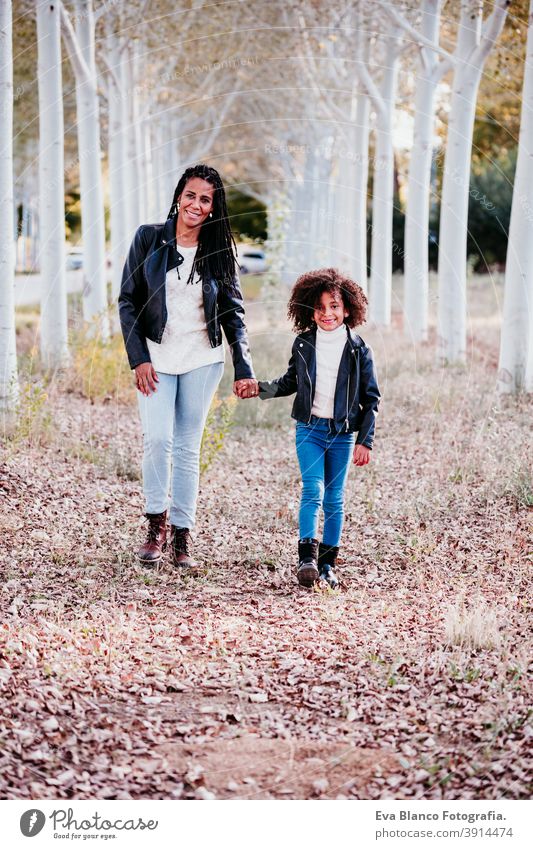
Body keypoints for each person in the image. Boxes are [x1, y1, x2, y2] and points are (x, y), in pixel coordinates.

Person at [118, 163, 258, 568]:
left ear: (213, 207)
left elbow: (234, 313)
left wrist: (243, 367)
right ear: (179, 195)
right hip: (156, 359)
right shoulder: (148, 238)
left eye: (205, 199)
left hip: (202, 357)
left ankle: (182, 536)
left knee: (186, 446)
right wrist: (139, 359)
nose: (196, 204)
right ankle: (155, 525)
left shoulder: (218, 251)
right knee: (157, 440)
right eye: (191, 195)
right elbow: (128, 301)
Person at [256, 268, 380, 588]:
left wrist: (365, 440)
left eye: (335, 306)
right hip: (309, 429)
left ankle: (328, 566)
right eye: (321, 307)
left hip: (342, 435)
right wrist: (259, 389)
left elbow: (371, 398)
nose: (328, 313)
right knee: (313, 490)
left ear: (348, 309)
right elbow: (289, 382)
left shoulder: (358, 349)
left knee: (335, 499)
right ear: (310, 311)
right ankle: (307, 560)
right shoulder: (303, 344)